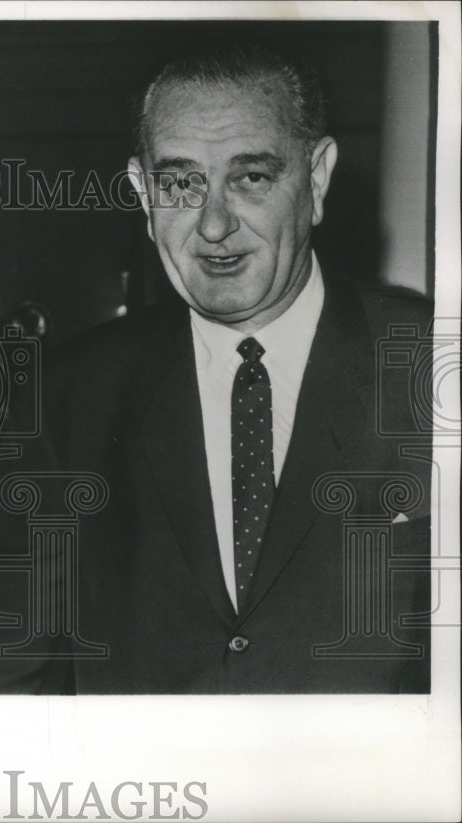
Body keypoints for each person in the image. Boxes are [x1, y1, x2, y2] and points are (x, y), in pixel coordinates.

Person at [48, 45, 432, 693]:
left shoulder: (432, 363)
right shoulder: (69, 395)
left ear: (316, 179)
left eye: (250, 177)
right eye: (180, 183)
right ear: (143, 192)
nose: (215, 223)